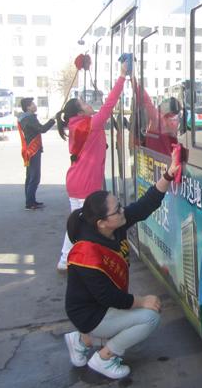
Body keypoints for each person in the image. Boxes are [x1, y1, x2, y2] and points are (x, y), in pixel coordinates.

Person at [63, 156, 180, 379]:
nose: (122, 211)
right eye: (117, 210)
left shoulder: (113, 226)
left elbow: (144, 206)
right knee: (150, 317)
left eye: (119, 205)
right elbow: (108, 297)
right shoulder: (87, 252)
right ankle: (104, 359)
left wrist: (168, 175)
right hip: (90, 314)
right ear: (101, 223)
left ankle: (82, 340)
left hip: (102, 307)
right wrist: (142, 301)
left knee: (140, 313)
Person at [54, 61, 129, 271]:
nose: (88, 104)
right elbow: (109, 105)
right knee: (83, 225)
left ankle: (67, 259)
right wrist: (122, 76)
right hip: (84, 184)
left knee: (79, 223)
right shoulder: (90, 125)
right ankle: (70, 260)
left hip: (78, 182)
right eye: (84, 103)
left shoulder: (79, 125)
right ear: (80, 113)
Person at [17, 97, 55, 210]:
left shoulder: (25, 118)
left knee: (30, 177)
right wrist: (52, 120)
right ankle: (29, 203)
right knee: (34, 177)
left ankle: (30, 200)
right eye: (33, 104)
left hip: (28, 149)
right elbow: (42, 129)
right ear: (28, 107)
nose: (35, 105)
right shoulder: (29, 118)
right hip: (33, 150)